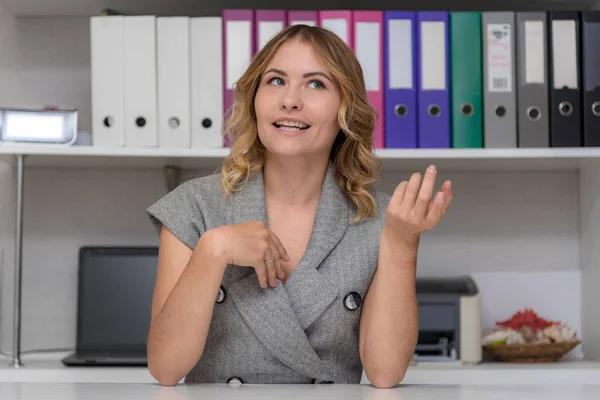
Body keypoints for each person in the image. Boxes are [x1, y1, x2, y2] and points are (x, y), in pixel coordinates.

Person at [145, 24, 453, 389]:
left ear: (345, 108)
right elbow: (165, 368)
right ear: (254, 99)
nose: (290, 100)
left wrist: (402, 244)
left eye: (316, 84)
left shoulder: (380, 219)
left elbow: (385, 373)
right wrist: (213, 250)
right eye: (275, 81)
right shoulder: (194, 206)